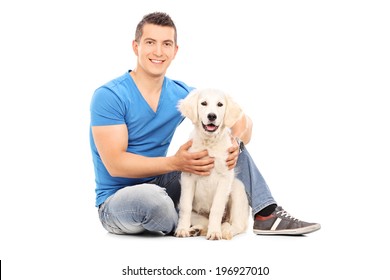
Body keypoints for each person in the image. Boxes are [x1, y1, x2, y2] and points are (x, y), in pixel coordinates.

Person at [89, 12, 320, 236]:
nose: (158, 51)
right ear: (136, 46)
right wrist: (174, 163)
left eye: (167, 44)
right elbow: (115, 164)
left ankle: (265, 214)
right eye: (150, 42)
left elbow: (243, 121)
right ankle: (189, 219)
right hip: (118, 199)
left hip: (161, 182)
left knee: (221, 141)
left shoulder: (182, 95)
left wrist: (234, 142)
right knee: (154, 202)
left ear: (175, 51)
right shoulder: (109, 96)